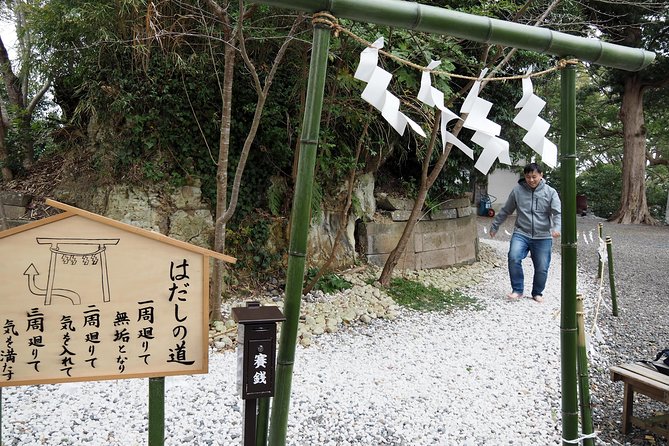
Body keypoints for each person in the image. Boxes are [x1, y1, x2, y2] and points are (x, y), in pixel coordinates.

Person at [489, 163, 561, 303]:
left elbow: (557, 213)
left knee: (542, 267)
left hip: (543, 236)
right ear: (524, 177)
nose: (531, 180)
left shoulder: (550, 192)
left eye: (534, 176)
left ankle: (537, 292)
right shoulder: (517, 191)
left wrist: (557, 227)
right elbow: (506, 210)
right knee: (513, 257)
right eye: (528, 177)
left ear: (541, 175)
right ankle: (517, 290)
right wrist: (495, 225)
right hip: (521, 233)